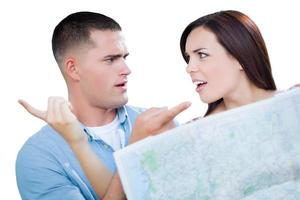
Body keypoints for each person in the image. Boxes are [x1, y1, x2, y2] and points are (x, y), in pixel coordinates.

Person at [16, 11, 191, 200]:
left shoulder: (160, 125)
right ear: (73, 69)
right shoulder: (39, 155)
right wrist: (135, 150)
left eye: (124, 57)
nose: (126, 70)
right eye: (110, 59)